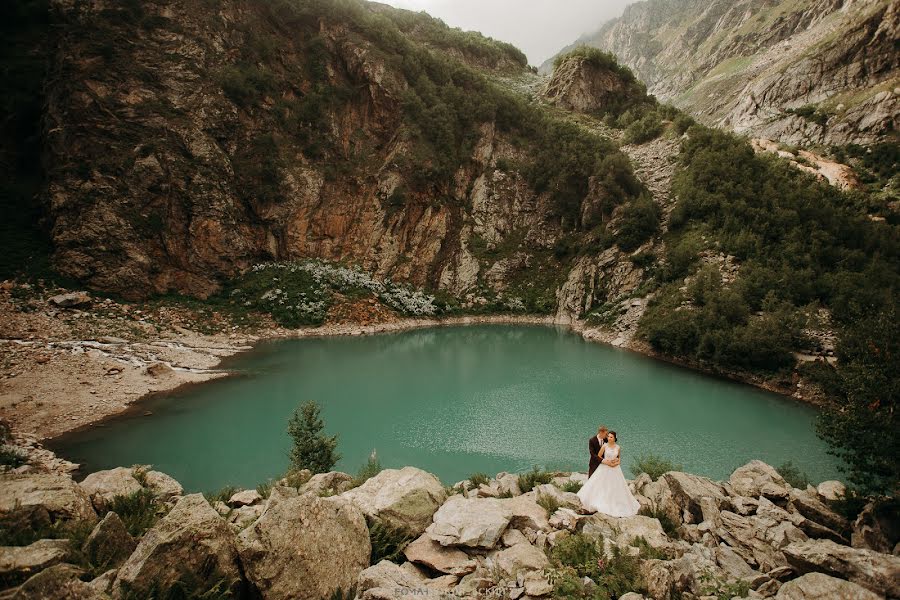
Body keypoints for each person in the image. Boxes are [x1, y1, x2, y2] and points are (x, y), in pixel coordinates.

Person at [577, 431, 640, 517]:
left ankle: (616, 503)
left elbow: (619, 458)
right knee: (602, 485)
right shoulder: (605, 446)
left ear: (615, 438)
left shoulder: (618, 447)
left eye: (611, 437)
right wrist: (607, 462)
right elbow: (599, 456)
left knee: (615, 487)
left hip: (615, 469)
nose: (609, 438)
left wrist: (616, 463)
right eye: (608, 437)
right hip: (605, 467)